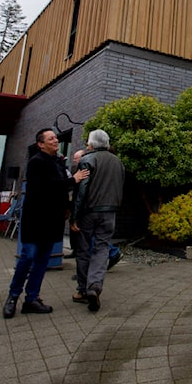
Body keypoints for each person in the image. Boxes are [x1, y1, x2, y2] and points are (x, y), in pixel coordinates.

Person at [3, 128, 88, 319]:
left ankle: (32, 298)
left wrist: (67, 207)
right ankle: (12, 297)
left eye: (56, 138)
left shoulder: (58, 162)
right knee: (28, 257)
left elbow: (61, 190)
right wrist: (72, 180)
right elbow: (49, 186)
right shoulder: (36, 163)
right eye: (51, 139)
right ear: (40, 144)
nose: (55, 141)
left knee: (42, 261)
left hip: (53, 220)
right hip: (36, 219)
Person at [71, 129, 125, 312]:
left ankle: (82, 290)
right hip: (110, 212)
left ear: (91, 144)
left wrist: (75, 216)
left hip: (89, 212)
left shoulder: (87, 159)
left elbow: (82, 190)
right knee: (102, 248)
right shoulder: (118, 162)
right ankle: (95, 286)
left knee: (83, 249)